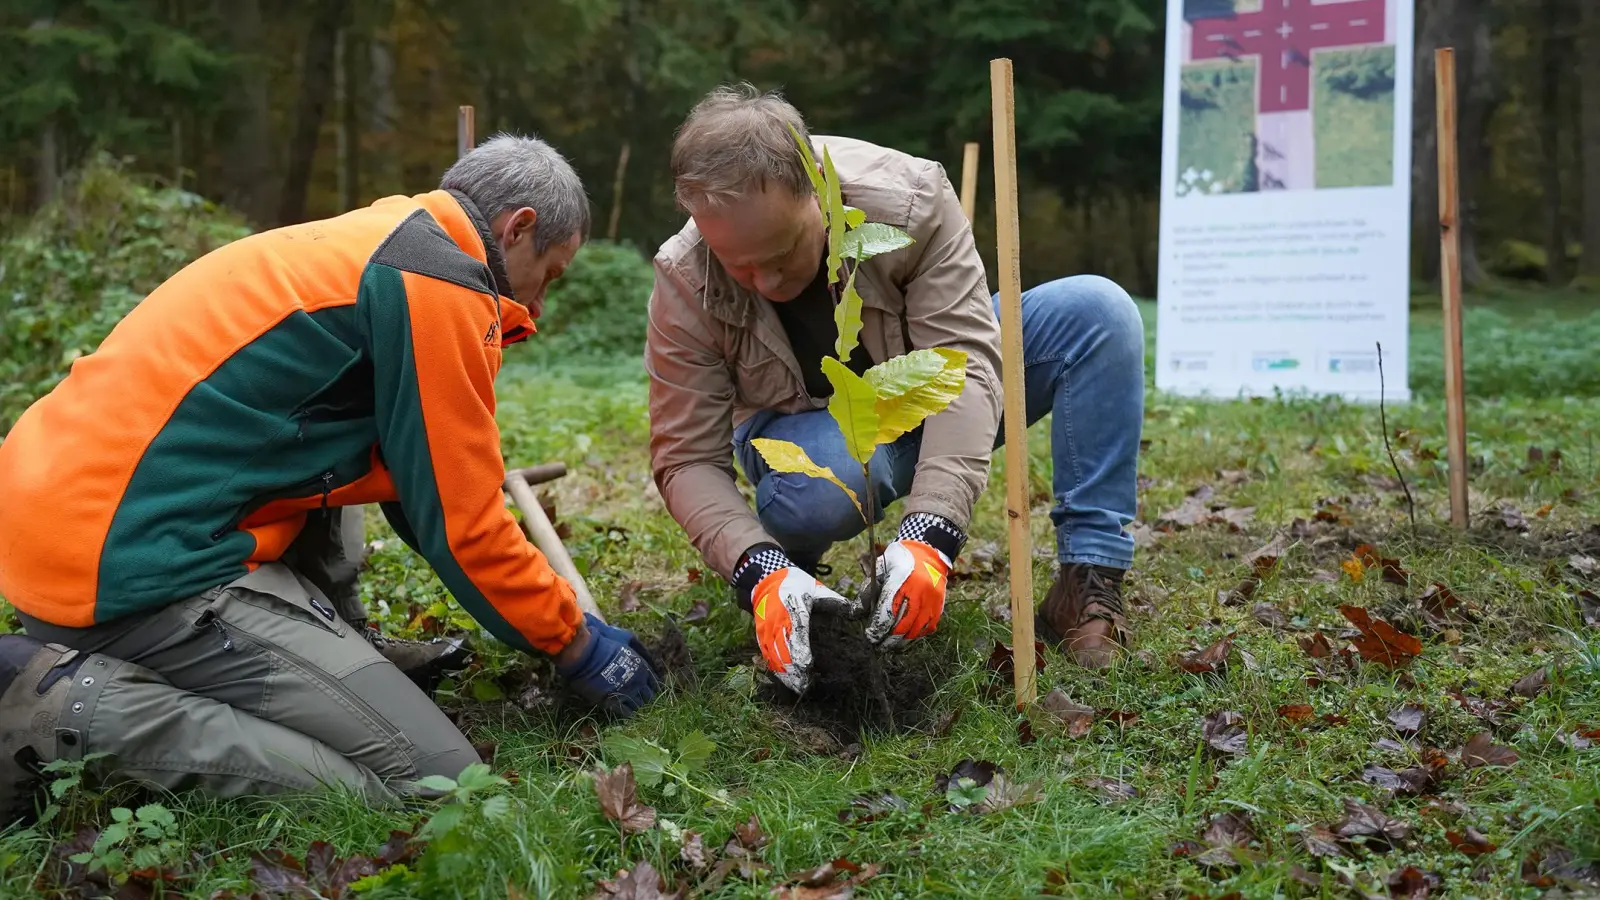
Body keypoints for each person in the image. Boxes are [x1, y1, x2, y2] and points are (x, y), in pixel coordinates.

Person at [0, 133, 661, 824]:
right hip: (126, 568)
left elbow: (413, 478)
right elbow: (461, 523)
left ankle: (335, 650)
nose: (542, 304)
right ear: (517, 228)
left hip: (61, 525)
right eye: (549, 275)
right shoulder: (437, 284)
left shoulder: (380, 239)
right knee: (439, 784)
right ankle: (64, 709)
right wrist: (576, 642)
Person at [644, 85, 1146, 695]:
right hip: (809, 437)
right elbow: (687, 458)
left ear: (816, 190)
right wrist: (758, 569)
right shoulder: (685, 275)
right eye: (740, 267)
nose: (767, 281)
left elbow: (963, 362)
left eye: (782, 253)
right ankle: (794, 578)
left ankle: (1087, 581)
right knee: (828, 479)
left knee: (1096, 314)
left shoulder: (908, 202)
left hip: (922, 387)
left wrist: (932, 532)